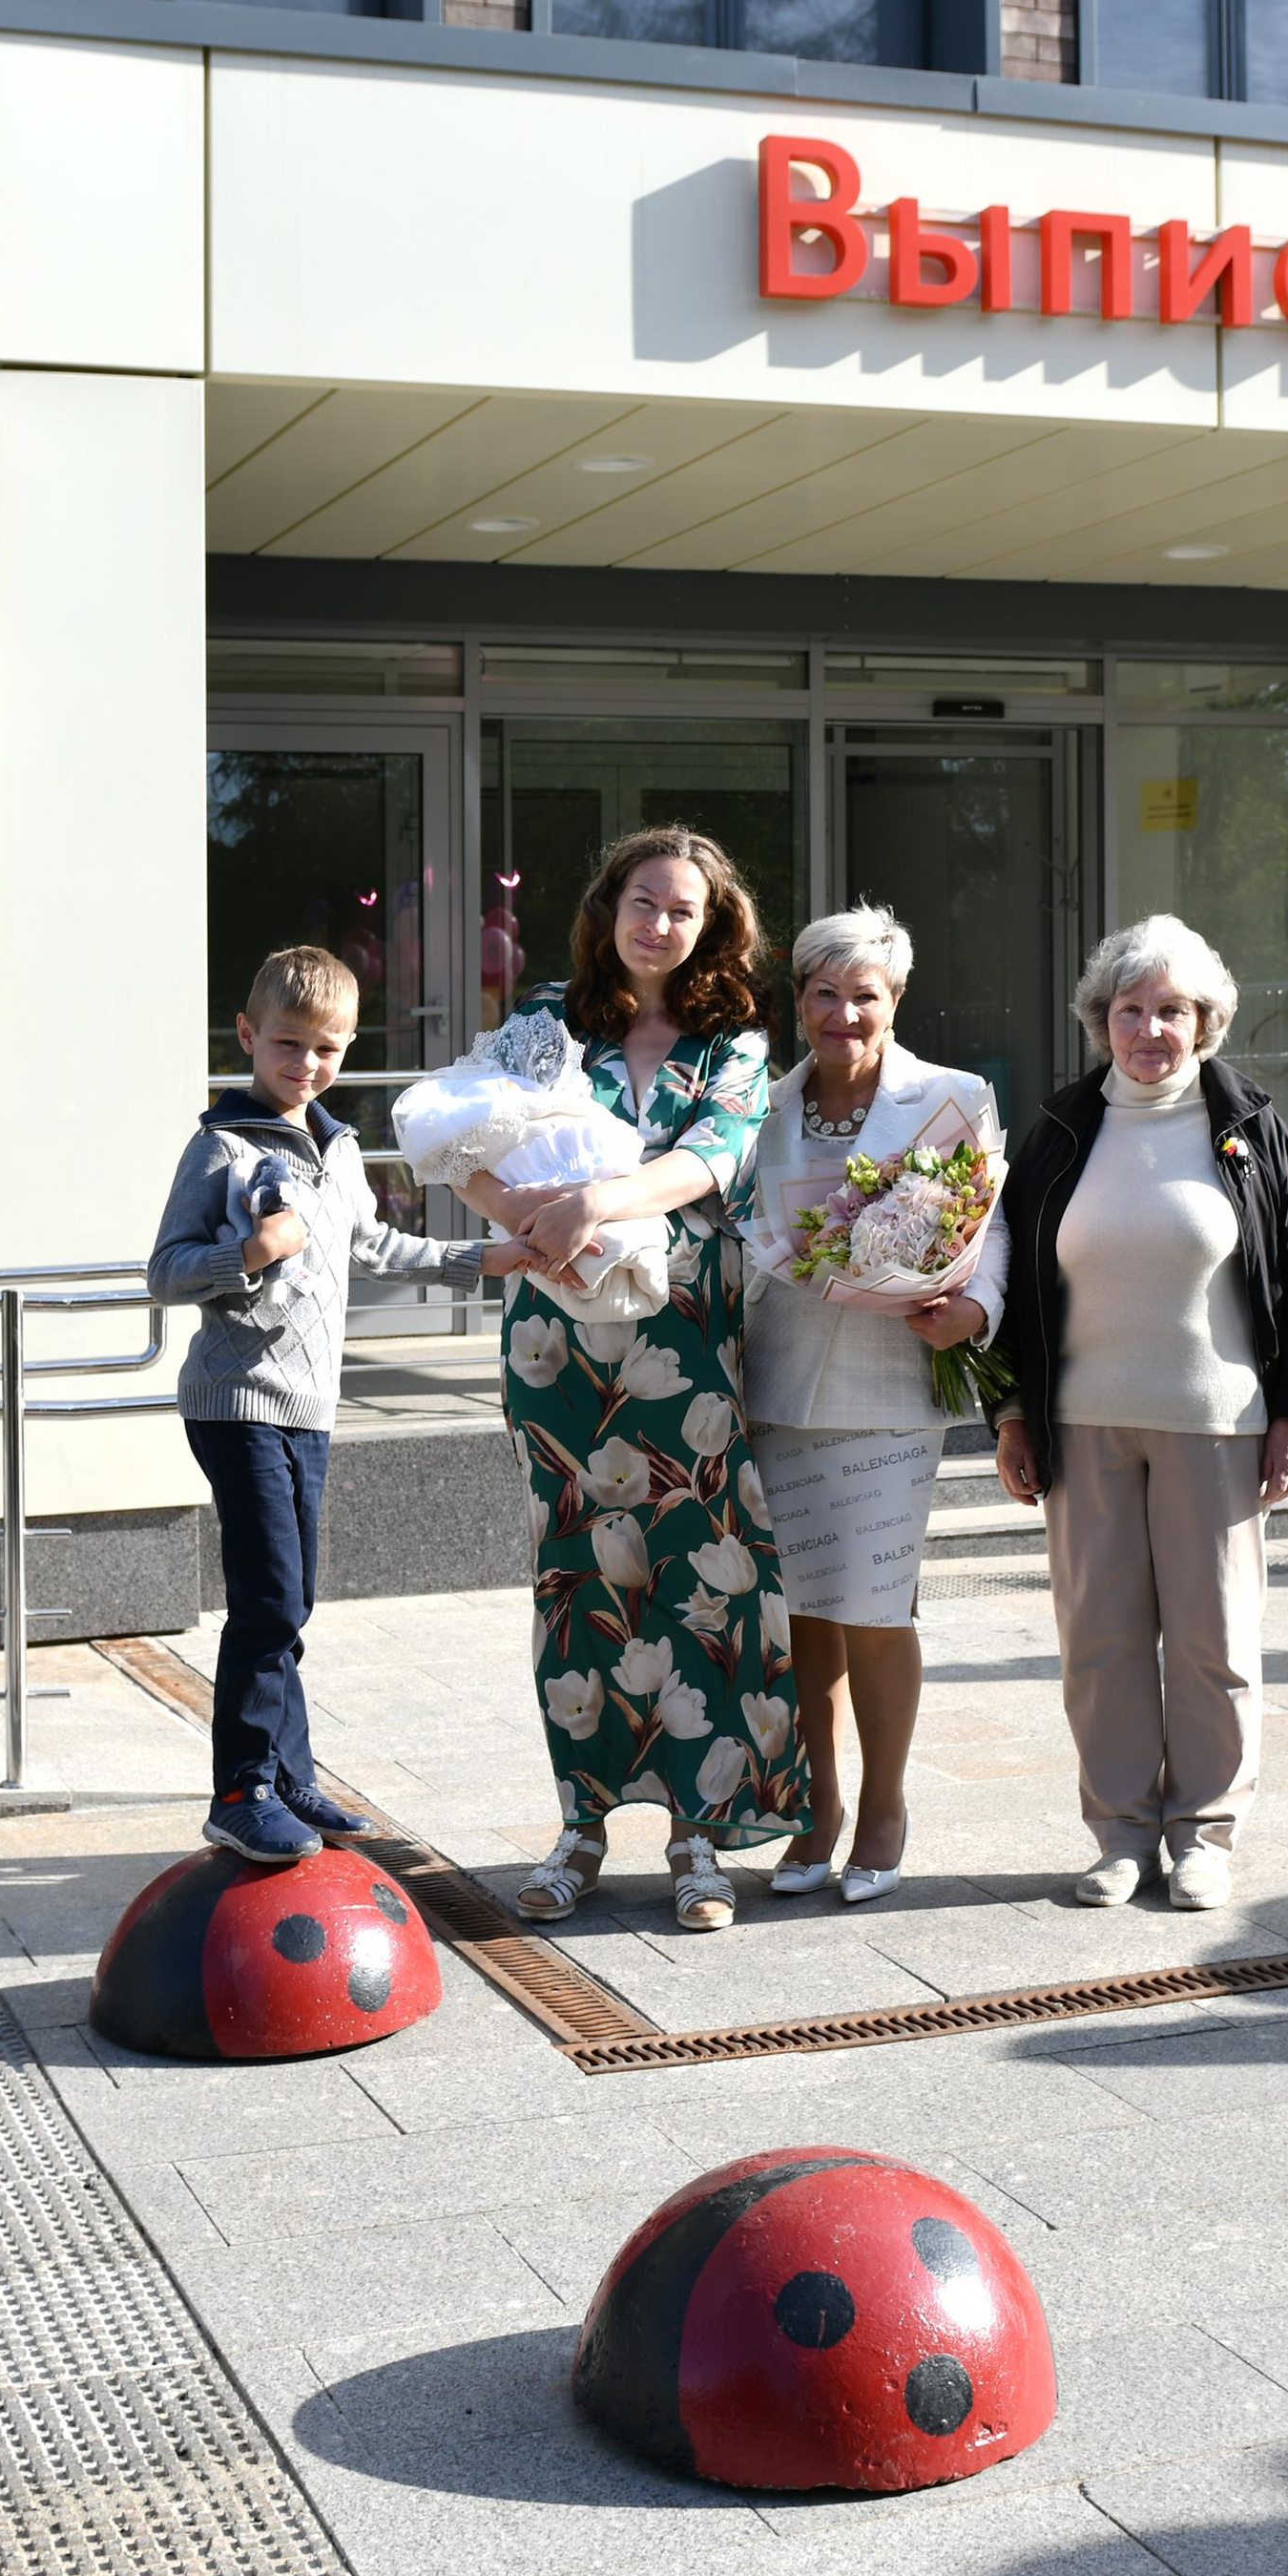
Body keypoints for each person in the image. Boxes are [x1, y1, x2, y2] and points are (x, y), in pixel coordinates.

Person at [452, 825, 809, 1933]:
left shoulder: (731, 1036)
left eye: (683, 910)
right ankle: (582, 1825)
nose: (660, 923)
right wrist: (524, 1217)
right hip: (554, 1335)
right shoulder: (541, 1025)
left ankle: (698, 1838)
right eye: (643, 902)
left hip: (687, 1335)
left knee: (698, 1573)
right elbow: (463, 1148)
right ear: (609, 908)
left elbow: (715, 1157)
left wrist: (588, 1206)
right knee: (577, 1576)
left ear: (712, 927)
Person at [990, 912, 1288, 1913]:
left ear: (1207, 1022)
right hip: (1083, 1423)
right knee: (1098, 1641)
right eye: (1132, 1010)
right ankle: (1117, 1837)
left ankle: (1203, 1836)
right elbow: (1012, 1285)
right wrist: (1012, 1414)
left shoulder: (1248, 1127)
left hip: (1220, 1423)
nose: (1151, 1030)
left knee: (1213, 1641)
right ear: (1102, 1019)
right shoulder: (1060, 1128)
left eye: (1173, 1012)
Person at [149, 943, 525, 1867]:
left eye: (328, 1049)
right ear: (246, 1036)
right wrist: (247, 1253)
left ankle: (290, 1774)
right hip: (236, 1400)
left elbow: (378, 1247)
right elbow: (163, 1273)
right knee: (268, 1598)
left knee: (295, 1595)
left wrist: (484, 1259)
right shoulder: (220, 1146)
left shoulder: (338, 1146)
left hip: (311, 1407)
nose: (306, 1064)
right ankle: (241, 1791)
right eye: (287, 1044)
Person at [731, 905, 1005, 1904]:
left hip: (890, 1384)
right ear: (797, 998)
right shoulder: (760, 1106)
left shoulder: (953, 1096)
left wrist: (974, 1304)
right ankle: (816, 1809)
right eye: (824, 992)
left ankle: (884, 1808)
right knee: (803, 1613)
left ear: (895, 1002)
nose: (843, 1012)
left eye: (866, 995)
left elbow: (991, 1222)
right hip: (776, 1380)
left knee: (875, 1606)